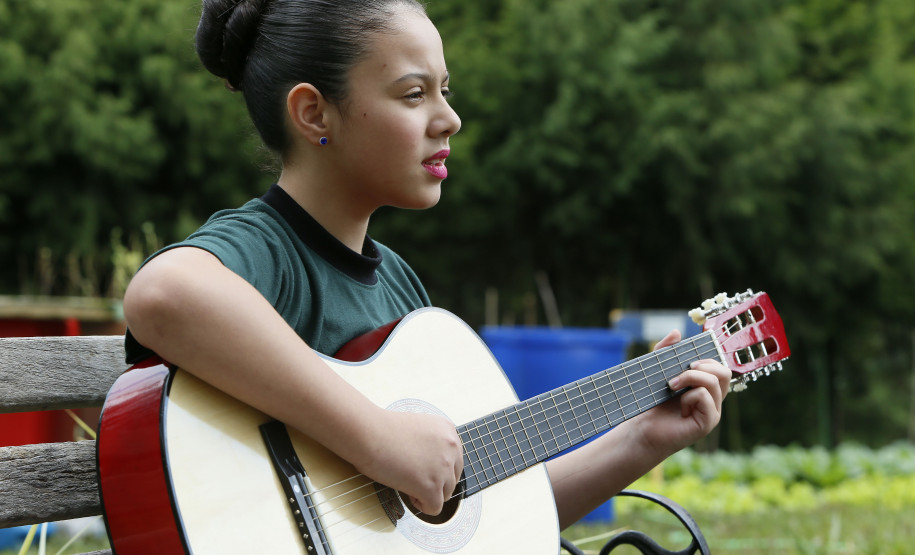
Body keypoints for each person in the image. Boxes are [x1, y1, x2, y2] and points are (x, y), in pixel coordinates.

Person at [123, 0, 731, 532]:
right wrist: (377, 438)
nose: (449, 119)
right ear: (313, 114)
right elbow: (163, 294)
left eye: (446, 90)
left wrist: (639, 439)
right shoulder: (268, 249)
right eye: (415, 94)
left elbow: (480, 511)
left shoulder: (400, 290)